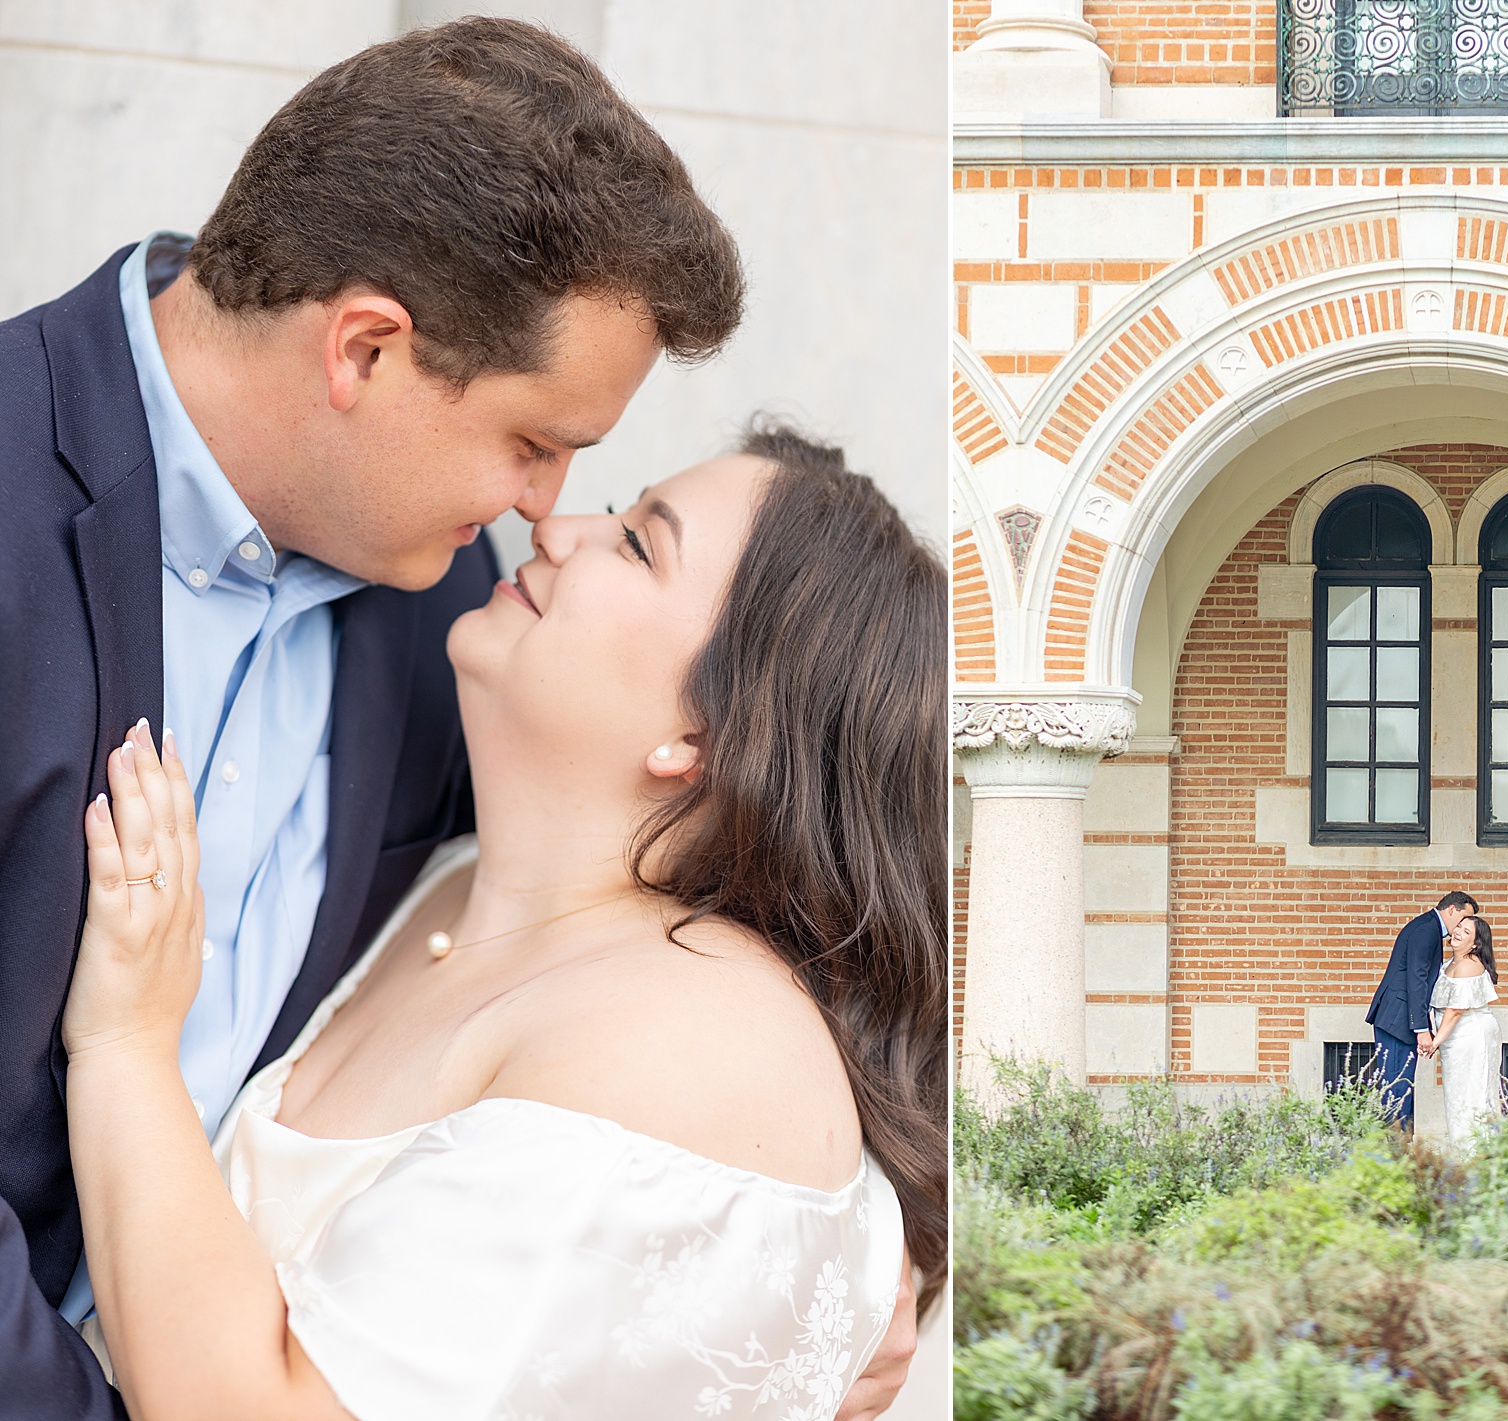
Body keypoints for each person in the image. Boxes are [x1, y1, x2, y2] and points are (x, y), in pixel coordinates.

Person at [0, 19, 914, 1418]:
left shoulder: (451, 617)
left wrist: (826, 1259)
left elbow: (688, 919)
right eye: (536, 443)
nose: (552, 510)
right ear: (365, 349)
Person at [63, 426, 947, 1419]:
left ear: (703, 734)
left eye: (638, 544)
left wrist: (125, 1041)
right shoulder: (450, 872)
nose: (559, 528)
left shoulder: (688, 1049)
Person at [1364, 891, 1479, 1130]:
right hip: (1398, 1022)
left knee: (1400, 1087)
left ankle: (1400, 1151)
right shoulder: (1427, 930)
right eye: (1464, 918)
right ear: (1452, 911)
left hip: (1398, 1018)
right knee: (1396, 1088)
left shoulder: (1428, 928)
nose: (1464, 925)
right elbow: (1416, 980)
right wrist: (1421, 1029)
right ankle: (1395, 1155)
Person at [1427, 914, 1503, 1149]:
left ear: (1476, 944)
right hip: (1455, 1038)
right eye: (1458, 926)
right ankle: (1462, 1152)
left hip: (1471, 1036)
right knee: (1457, 1094)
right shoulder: (1450, 962)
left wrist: (1434, 1041)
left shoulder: (1470, 964)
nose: (1458, 932)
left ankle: (1476, 1154)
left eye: (1466, 931)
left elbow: (1456, 1010)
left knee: (1472, 1095)